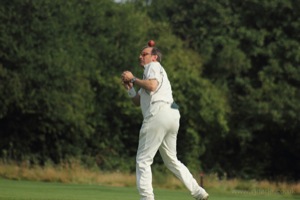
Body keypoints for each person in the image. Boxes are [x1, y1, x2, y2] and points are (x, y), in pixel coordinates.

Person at [121, 43, 209, 200]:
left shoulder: (152, 66)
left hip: (159, 113)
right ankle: (198, 192)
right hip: (172, 114)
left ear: (154, 57)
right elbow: (137, 101)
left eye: (144, 54)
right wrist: (130, 89)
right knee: (171, 160)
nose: (140, 57)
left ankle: (147, 198)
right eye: (140, 55)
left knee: (143, 160)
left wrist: (133, 78)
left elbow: (152, 86)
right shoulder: (150, 74)